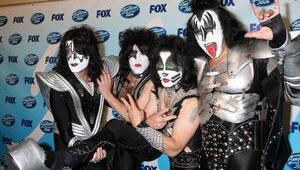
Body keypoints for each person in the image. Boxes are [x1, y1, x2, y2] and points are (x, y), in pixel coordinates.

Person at [6, 35, 208, 170]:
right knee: (119, 136)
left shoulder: (191, 101)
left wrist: (139, 122)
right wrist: (142, 122)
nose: (164, 70)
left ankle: (53, 160)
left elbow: (171, 146)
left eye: (171, 65)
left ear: (183, 65)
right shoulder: (159, 86)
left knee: (116, 127)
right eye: (160, 65)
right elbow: (137, 119)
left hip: (188, 163)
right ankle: (55, 159)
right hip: (137, 143)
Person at [186, 0, 300, 170]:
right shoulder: (199, 66)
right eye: (198, 31)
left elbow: (296, 95)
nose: (205, 36)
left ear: (223, 24)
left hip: (251, 158)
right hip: (210, 159)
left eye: (209, 28)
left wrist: (281, 41)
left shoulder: (254, 51)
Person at [35, 25, 115, 170]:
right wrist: (87, 151)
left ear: (90, 52)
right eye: (69, 52)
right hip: (68, 144)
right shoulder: (59, 82)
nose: (73, 58)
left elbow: (119, 106)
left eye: (78, 52)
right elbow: (66, 134)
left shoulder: (102, 75)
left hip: (96, 141)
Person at [97, 27, 158, 169]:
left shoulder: (153, 80)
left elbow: (133, 116)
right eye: (132, 54)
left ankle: (79, 153)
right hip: (128, 136)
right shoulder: (123, 76)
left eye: (143, 54)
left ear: (151, 56)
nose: (137, 59)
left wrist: (108, 94)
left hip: (151, 142)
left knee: (116, 126)